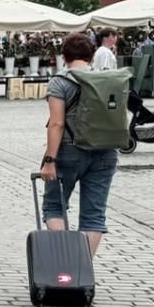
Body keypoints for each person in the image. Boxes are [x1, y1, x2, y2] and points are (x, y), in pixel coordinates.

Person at [39, 32, 122, 255]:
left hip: (69, 151)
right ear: (91, 56)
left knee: (54, 206)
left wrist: (49, 160)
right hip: (105, 151)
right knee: (94, 214)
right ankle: (82, 268)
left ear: (64, 56)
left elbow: (56, 123)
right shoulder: (108, 79)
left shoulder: (60, 81)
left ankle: (67, 259)